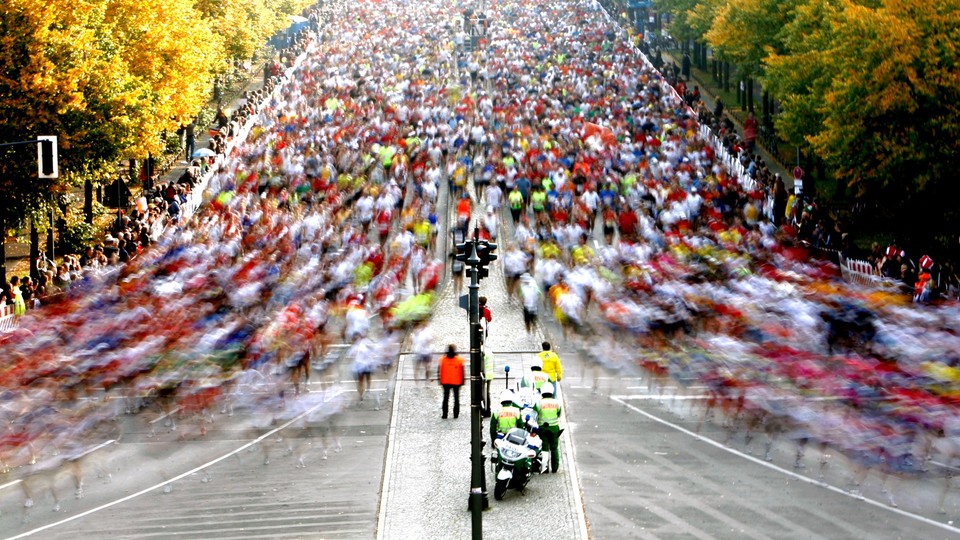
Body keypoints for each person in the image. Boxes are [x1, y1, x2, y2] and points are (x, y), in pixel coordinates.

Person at [534, 382, 562, 473]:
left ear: (542, 392)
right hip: (554, 428)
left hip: (543, 428)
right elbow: (559, 414)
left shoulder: (539, 403)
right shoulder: (557, 402)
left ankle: (544, 468)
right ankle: (555, 468)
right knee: (554, 448)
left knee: (544, 448)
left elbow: (534, 414)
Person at [438, 344, 465, 419]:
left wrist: (440, 380)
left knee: (446, 398)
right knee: (456, 398)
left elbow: (439, 371)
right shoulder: (459, 360)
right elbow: (462, 372)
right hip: (456, 381)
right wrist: (462, 381)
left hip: (445, 381)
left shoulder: (442, 360)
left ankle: (445, 414)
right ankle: (456, 414)